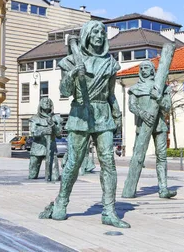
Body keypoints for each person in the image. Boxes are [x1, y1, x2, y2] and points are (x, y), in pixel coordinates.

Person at [39, 20, 129, 229]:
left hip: (102, 114)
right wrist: (72, 74)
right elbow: (64, 91)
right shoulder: (71, 61)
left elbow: (111, 94)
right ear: (87, 35)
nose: (99, 35)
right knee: (74, 162)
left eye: (102, 32)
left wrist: (117, 116)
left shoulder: (110, 63)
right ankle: (61, 201)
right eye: (95, 32)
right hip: (80, 113)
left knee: (108, 161)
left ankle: (109, 210)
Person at [123, 60, 176, 199]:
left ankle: (163, 188)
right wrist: (143, 114)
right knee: (138, 156)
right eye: (142, 68)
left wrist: (159, 99)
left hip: (159, 125)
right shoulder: (135, 88)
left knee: (162, 157)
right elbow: (132, 106)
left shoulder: (162, 87)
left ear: (153, 70)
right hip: (143, 125)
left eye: (147, 67)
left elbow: (167, 107)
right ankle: (130, 188)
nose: (144, 70)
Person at [29, 97, 62, 181]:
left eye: (49, 102)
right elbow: (33, 133)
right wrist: (43, 131)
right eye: (44, 102)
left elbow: (59, 134)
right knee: (32, 175)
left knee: (55, 177)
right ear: (40, 105)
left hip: (51, 148)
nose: (47, 103)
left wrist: (53, 126)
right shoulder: (35, 118)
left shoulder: (56, 118)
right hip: (37, 147)